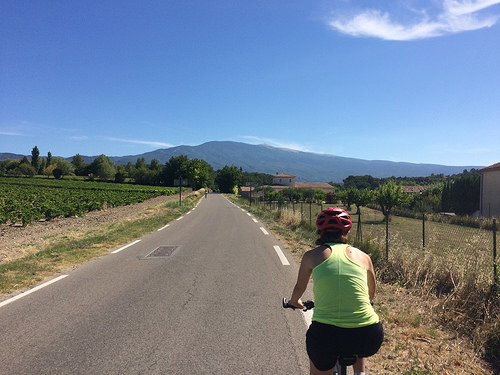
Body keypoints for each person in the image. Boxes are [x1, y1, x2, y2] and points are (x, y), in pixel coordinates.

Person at [287, 207, 383, 375]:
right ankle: (360, 373)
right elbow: (370, 294)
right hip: (369, 336)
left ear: (319, 232)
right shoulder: (364, 257)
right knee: (357, 329)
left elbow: (299, 288)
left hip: (326, 335)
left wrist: (294, 302)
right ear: (347, 231)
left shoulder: (311, 256)